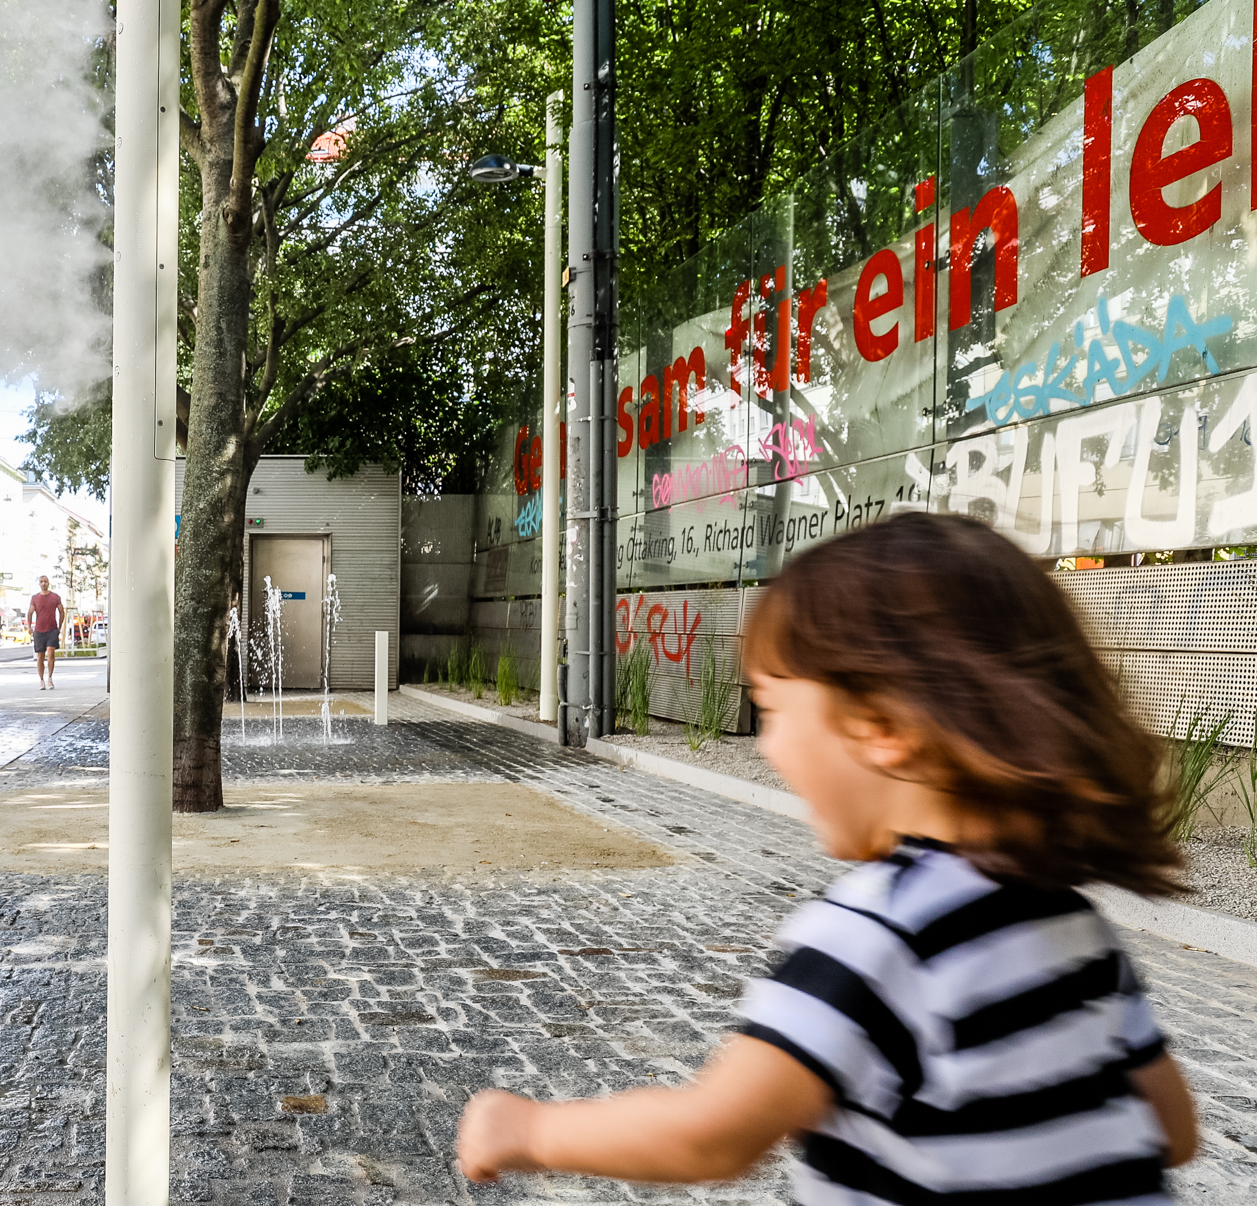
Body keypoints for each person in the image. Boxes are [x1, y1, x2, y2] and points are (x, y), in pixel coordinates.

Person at [455, 513, 1198, 1202]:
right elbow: (1173, 1130)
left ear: (882, 724)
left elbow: (712, 1134)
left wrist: (533, 1130)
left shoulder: (878, 933)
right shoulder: (1076, 925)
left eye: (774, 709)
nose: (767, 745)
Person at [28, 574, 63, 690]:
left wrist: (60, 626)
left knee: (51, 652)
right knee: (40, 656)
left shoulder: (55, 597)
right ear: (39, 584)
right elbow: (30, 612)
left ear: (48, 583)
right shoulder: (35, 598)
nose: (43, 583)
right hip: (39, 630)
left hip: (52, 629)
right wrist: (29, 626)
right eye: (42, 581)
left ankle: (50, 678)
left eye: (45, 581)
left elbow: (61, 611)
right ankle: (41, 680)